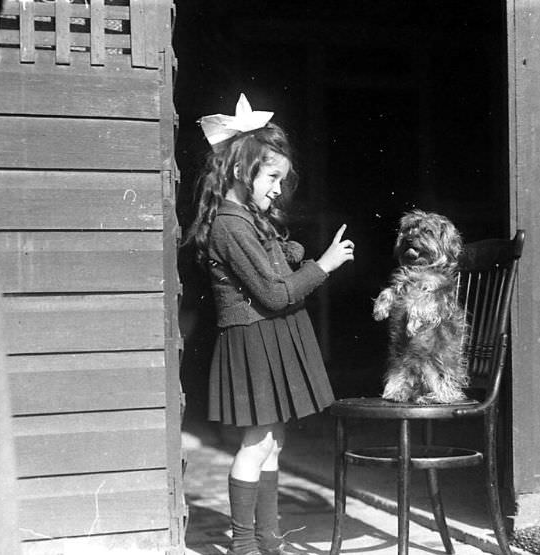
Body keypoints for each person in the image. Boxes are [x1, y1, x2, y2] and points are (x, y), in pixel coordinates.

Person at [185, 94, 354, 555]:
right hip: (254, 338)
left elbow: (272, 270)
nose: (279, 188)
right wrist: (323, 265)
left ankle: (269, 539)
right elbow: (275, 293)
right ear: (242, 171)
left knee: (273, 442)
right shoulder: (230, 224)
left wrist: (293, 254)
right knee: (256, 442)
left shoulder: (249, 220)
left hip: (273, 334)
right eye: (272, 177)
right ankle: (243, 545)